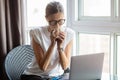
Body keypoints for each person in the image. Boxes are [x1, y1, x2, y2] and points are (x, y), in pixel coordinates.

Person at [21, 1, 75, 80]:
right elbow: (43, 67)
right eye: (53, 22)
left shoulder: (69, 33)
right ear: (46, 18)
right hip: (36, 75)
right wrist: (52, 44)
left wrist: (60, 47)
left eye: (60, 21)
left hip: (58, 75)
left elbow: (65, 66)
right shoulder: (36, 33)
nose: (57, 26)